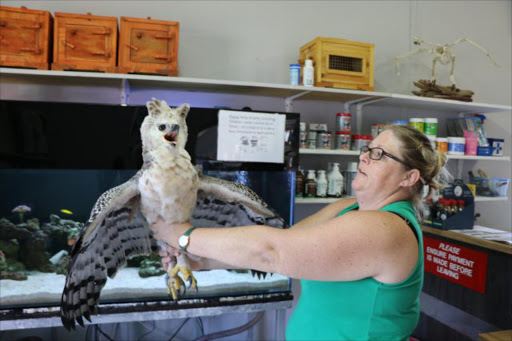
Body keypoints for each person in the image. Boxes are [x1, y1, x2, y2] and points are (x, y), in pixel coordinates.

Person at [150, 124, 447, 341]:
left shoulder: (388, 228)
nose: (364, 158)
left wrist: (183, 234)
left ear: (409, 177)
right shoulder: (349, 207)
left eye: (380, 154)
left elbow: (273, 253)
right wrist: (203, 262)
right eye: (367, 149)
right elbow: (287, 241)